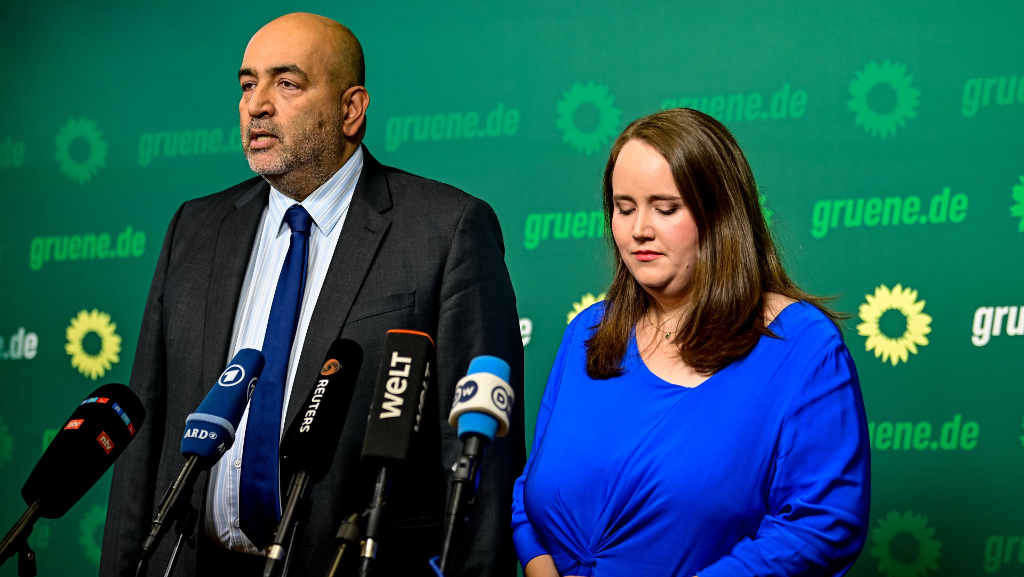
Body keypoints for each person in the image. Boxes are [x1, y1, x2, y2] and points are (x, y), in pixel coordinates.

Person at [101, 13, 524, 577]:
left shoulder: (445, 231)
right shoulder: (195, 229)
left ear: (351, 109)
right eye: (248, 84)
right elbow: (145, 435)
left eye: (287, 83)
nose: (256, 105)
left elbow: (477, 465)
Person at [511, 108, 870, 577]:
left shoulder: (803, 346)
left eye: (665, 208)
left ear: (720, 214)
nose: (640, 229)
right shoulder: (588, 332)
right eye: (624, 208)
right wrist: (539, 565)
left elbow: (821, 526)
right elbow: (529, 492)